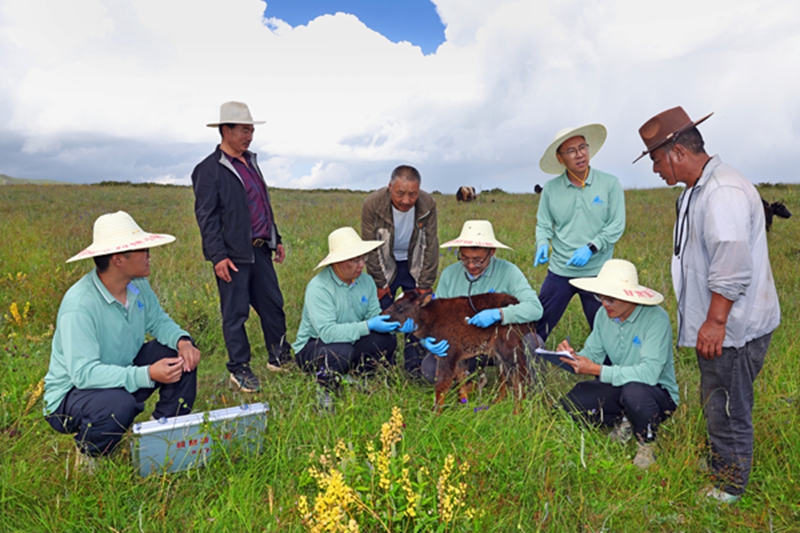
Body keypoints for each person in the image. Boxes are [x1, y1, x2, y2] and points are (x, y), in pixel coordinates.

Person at [635, 106, 780, 503]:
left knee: (729, 404)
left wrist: (716, 321)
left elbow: (731, 262)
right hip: (718, 324)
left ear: (677, 152)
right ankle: (722, 461)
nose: (654, 170)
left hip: (733, 327)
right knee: (715, 396)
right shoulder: (697, 190)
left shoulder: (722, 191)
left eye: (655, 160)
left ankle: (731, 484)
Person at [43, 211, 201, 459]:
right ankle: (91, 455)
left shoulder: (137, 285)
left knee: (178, 356)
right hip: (70, 395)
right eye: (143, 249)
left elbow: (158, 321)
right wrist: (147, 374)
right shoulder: (80, 305)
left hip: (120, 371)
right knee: (118, 405)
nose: (149, 254)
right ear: (118, 260)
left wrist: (183, 342)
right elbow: (83, 374)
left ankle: (162, 436)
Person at [192, 101, 291, 393]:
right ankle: (239, 368)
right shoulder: (208, 170)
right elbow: (206, 217)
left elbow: (261, 205)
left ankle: (279, 357)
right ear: (226, 130)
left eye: (251, 130)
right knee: (235, 314)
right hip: (233, 254)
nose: (249, 136)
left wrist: (277, 239)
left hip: (260, 248)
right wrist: (217, 256)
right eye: (244, 130)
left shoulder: (251, 162)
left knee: (273, 305)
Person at [555, 259, 679, 469]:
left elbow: (649, 374)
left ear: (629, 297)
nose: (604, 303)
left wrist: (596, 370)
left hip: (656, 392)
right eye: (601, 297)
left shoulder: (656, 319)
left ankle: (647, 442)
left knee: (635, 393)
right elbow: (592, 353)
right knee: (570, 404)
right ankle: (624, 419)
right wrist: (572, 357)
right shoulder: (604, 316)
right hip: (620, 384)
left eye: (610, 299)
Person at [293, 227, 411, 409]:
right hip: (314, 345)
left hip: (350, 339)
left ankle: (358, 377)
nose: (361, 264)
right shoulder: (319, 288)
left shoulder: (366, 282)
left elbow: (373, 316)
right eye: (354, 260)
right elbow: (328, 333)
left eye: (362, 258)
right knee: (341, 353)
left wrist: (393, 324)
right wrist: (368, 325)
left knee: (386, 340)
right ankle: (326, 388)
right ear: (337, 262)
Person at [419, 220, 544, 382]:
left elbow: (535, 308)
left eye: (478, 260)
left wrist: (499, 314)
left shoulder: (509, 272)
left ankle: (527, 389)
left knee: (533, 344)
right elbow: (437, 316)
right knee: (430, 370)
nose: (471, 265)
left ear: (491, 252)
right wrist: (429, 337)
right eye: (464, 258)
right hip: (463, 345)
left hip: (502, 342)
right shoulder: (449, 275)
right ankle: (469, 378)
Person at [534, 124, 626, 342]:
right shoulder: (551, 189)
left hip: (597, 271)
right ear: (560, 158)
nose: (580, 155)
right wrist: (541, 243)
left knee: (605, 327)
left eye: (582, 147)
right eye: (571, 151)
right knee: (538, 322)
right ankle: (525, 364)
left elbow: (616, 225)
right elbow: (544, 223)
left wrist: (591, 247)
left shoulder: (610, 184)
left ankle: (607, 373)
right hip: (561, 269)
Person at [361, 165, 438, 377]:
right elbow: (370, 245)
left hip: (413, 262)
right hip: (387, 262)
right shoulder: (372, 204)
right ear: (390, 187)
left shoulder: (428, 204)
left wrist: (425, 283)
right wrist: (379, 282)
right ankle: (384, 362)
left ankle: (415, 365)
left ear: (419, 191)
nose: (406, 200)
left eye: (412, 194)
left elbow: (431, 245)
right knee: (386, 310)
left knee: (418, 310)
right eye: (400, 193)